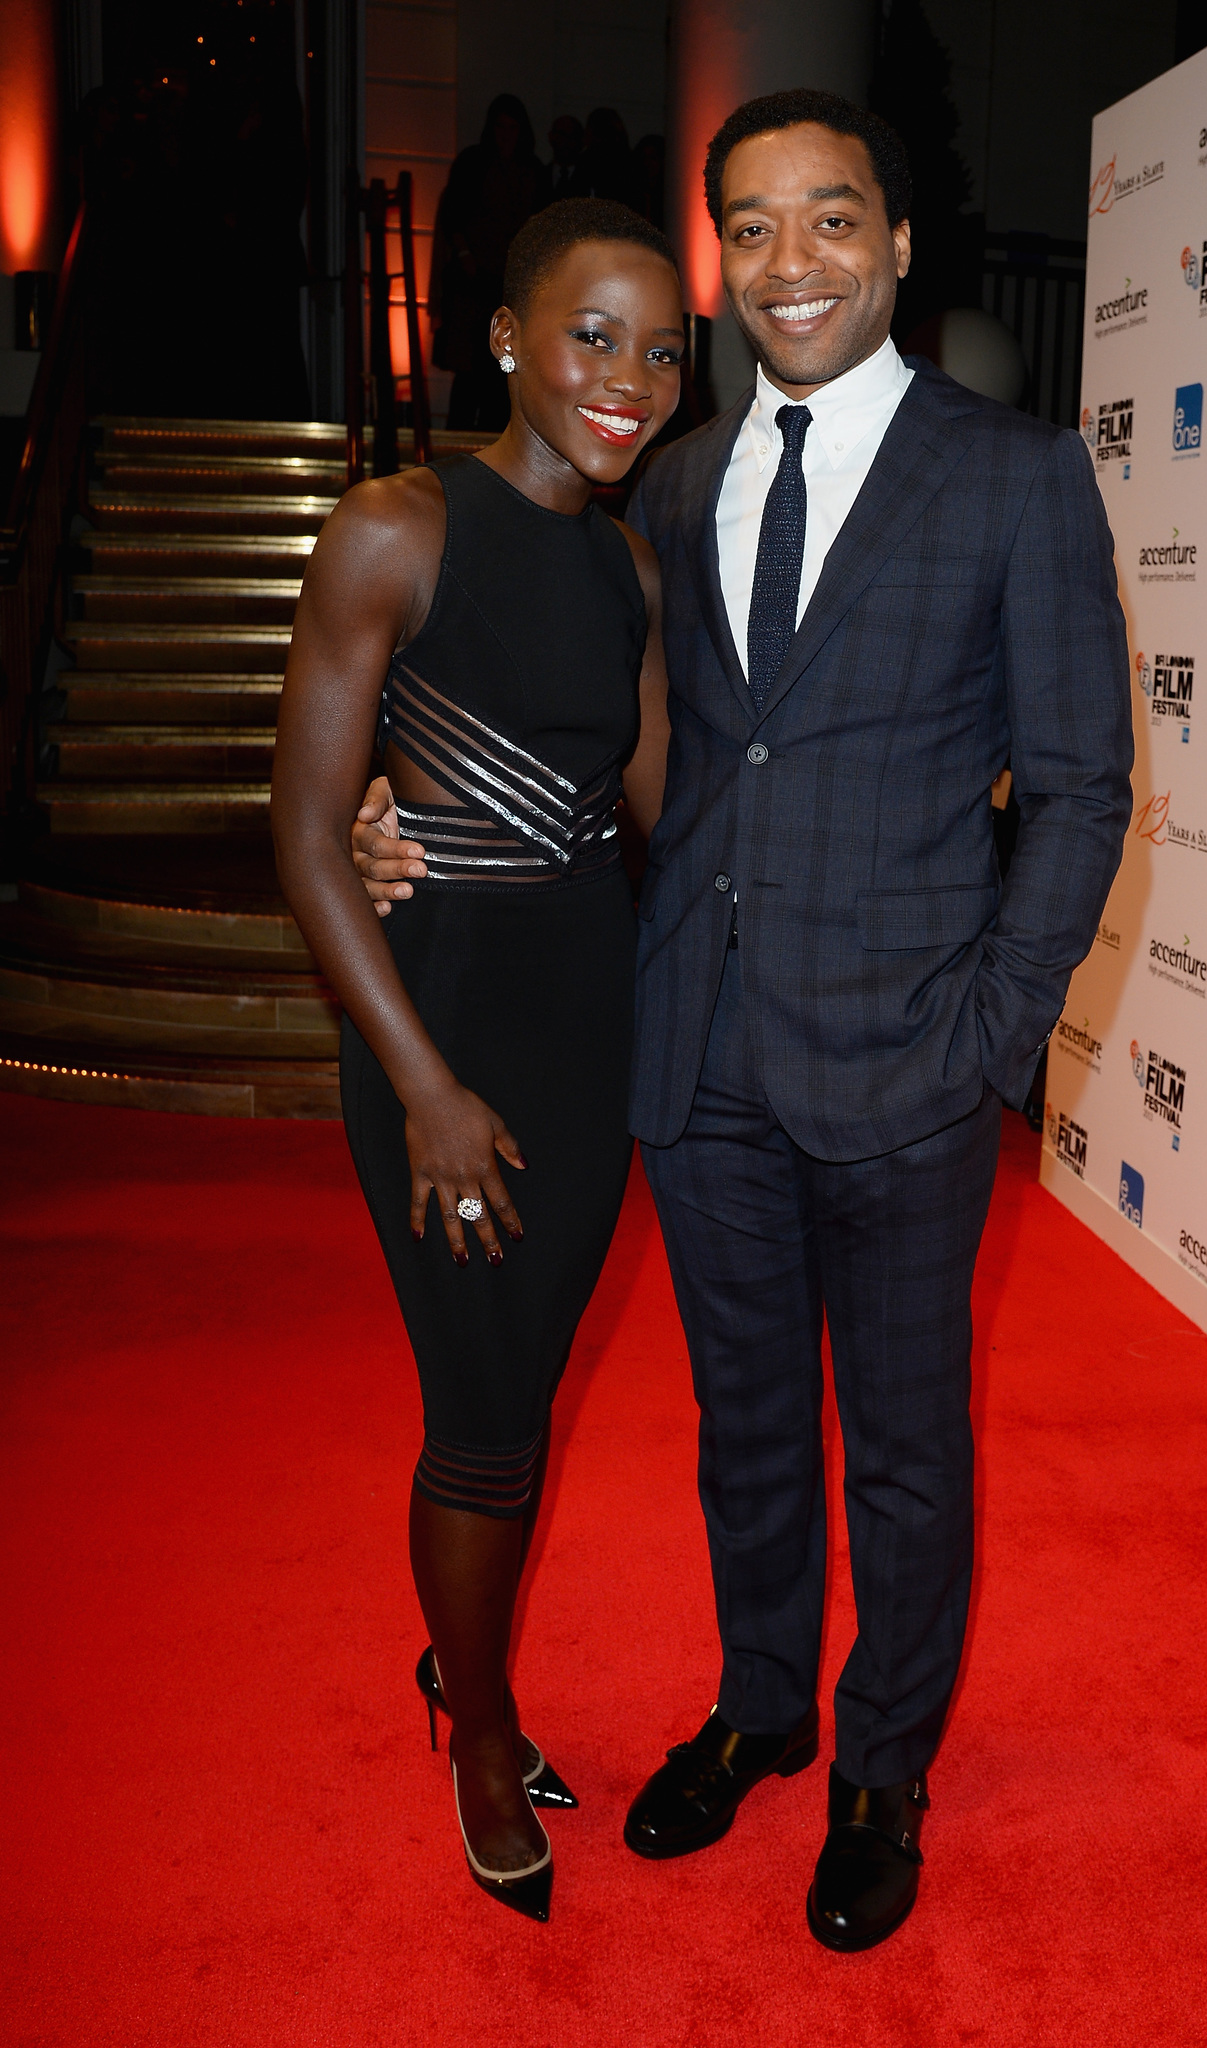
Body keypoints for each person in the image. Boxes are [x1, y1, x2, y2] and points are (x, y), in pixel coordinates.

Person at [354, 89, 1132, 1952]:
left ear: (897, 243)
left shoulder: (1015, 475)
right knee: (746, 1424)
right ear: (725, 267)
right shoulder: (675, 482)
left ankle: (883, 1766)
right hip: (692, 1052)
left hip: (909, 1061)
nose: (795, 261)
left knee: (907, 1441)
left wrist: (993, 1032)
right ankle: (764, 1704)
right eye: (757, 229)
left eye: (831, 218)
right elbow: (617, 743)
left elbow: (1084, 787)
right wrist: (406, 817)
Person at [271, 198, 683, 1924]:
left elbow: (662, 808)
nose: (629, 379)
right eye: (593, 335)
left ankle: (469, 1678)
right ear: (507, 336)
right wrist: (426, 1083)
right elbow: (303, 834)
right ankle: (483, 1726)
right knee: (486, 1409)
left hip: (591, 1023)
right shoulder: (395, 526)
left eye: (664, 350)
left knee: (527, 1381)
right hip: (443, 1028)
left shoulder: (629, 563)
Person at [429, 95, 550, 431]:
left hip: (511, 285)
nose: (506, 134)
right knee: (467, 371)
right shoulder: (472, 162)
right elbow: (452, 215)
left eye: (513, 127)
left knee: (504, 366)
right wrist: (465, 254)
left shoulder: (534, 170)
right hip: (471, 282)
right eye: (500, 126)